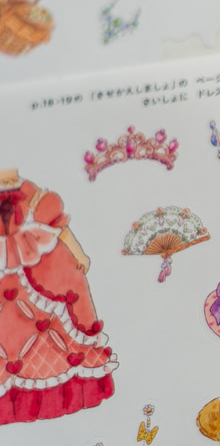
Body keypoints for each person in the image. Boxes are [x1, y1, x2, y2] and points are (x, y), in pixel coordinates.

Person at [0, 168, 118, 424]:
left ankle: (52, 397)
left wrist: (78, 254)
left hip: (40, 272)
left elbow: (59, 227)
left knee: (48, 331)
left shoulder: (34, 197)